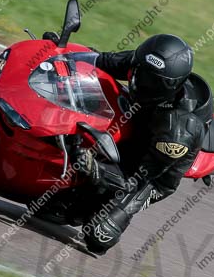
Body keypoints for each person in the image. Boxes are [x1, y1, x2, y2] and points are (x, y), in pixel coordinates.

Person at [75, 34, 206, 254]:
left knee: (99, 234)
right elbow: (98, 60)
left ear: (169, 87)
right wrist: (57, 54)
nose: (138, 82)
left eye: (151, 82)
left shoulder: (177, 130)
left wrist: (97, 170)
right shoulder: (142, 63)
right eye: (138, 73)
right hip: (140, 121)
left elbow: (138, 176)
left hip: (153, 171)